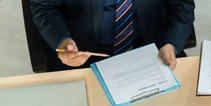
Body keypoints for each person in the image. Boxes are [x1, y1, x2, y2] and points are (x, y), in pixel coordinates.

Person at [30, 0, 195, 71]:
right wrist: (62, 41)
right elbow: (44, 7)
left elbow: (182, 5)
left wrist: (172, 43)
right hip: (83, 53)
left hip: (152, 50)